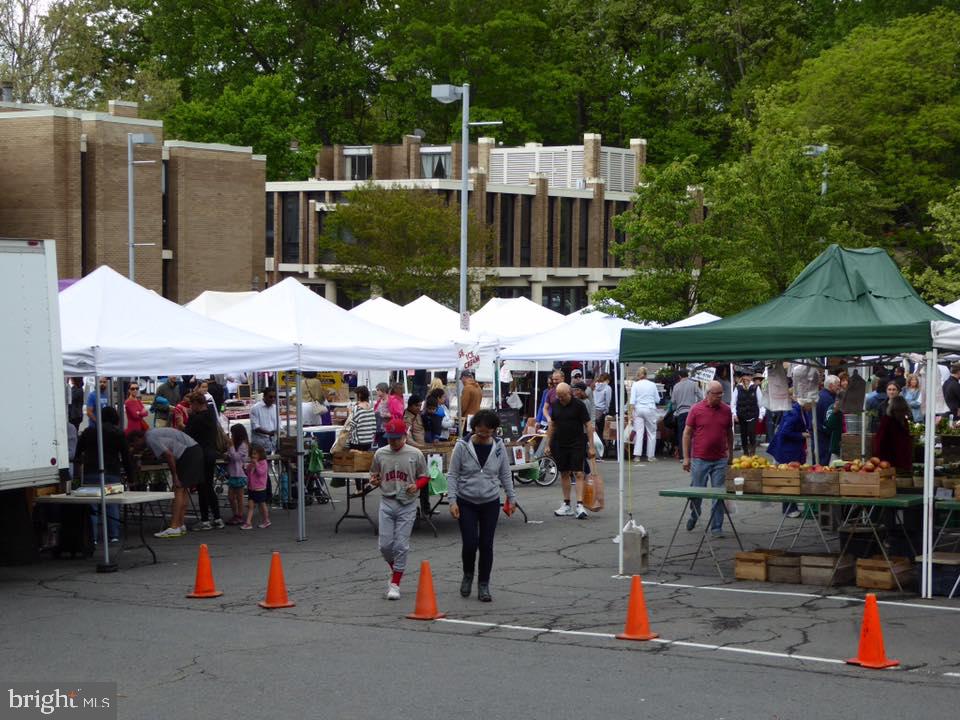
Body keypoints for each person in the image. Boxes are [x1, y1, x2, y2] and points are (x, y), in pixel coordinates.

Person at [447, 409, 517, 602]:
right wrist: (452, 501)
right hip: (466, 501)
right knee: (470, 543)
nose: (483, 435)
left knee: (486, 545)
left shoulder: (499, 447)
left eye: (488, 432)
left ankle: (484, 584)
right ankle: (468, 575)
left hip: (490, 501)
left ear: (494, 430)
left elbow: (505, 473)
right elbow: (453, 475)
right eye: (480, 431)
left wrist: (512, 498)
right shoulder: (462, 446)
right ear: (474, 428)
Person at [369, 418, 428, 600]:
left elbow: (425, 476)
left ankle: (395, 583)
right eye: (390, 438)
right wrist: (374, 480)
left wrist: (417, 485)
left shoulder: (415, 453)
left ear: (404, 436)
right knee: (385, 545)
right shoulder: (380, 453)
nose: (393, 442)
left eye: (396, 438)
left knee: (401, 545)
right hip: (387, 500)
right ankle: (395, 570)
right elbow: (374, 473)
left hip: (407, 502)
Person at [128, 427, 203, 538]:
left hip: (187, 453)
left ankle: (174, 527)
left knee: (178, 488)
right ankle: (180, 524)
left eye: (134, 445)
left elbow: (169, 455)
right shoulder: (151, 434)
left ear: (137, 439)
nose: (136, 448)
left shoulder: (150, 438)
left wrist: (174, 476)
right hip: (194, 450)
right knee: (184, 489)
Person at [682, 380, 734, 536]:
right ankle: (694, 514)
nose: (719, 397)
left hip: (720, 459)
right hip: (700, 458)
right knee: (697, 491)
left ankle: (716, 527)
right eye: (716, 394)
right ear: (708, 394)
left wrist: (730, 454)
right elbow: (687, 433)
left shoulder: (726, 410)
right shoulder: (696, 409)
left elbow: (729, 433)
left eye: (721, 394)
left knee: (718, 493)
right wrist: (686, 458)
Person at [76, 406, 131, 543]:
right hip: (112, 471)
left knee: (92, 506)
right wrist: (131, 476)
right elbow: (126, 456)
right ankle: (113, 535)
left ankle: (92, 538)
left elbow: (78, 453)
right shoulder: (118, 433)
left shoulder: (88, 432)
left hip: (90, 471)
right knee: (112, 503)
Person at [546, 382, 595, 519]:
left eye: (562, 396)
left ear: (570, 393)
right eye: (558, 396)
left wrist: (591, 446)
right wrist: (547, 444)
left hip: (577, 443)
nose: (560, 399)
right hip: (559, 443)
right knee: (564, 473)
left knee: (579, 473)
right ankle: (567, 504)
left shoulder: (579, 405)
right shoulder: (555, 404)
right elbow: (552, 425)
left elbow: (588, 425)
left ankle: (580, 505)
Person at [184, 391, 224, 530]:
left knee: (202, 487)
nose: (190, 407)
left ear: (196, 404)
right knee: (209, 486)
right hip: (211, 453)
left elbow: (186, 435)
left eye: (191, 404)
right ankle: (217, 518)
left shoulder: (195, 418)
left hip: (200, 455)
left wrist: (184, 421)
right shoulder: (211, 415)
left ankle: (205, 519)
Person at [767, 399, 813, 518]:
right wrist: (801, 435)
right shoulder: (794, 412)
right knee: (788, 479)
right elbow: (784, 432)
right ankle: (789, 508)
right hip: (787, 450)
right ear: (805, 402)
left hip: (794, 449)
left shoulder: (802, 411)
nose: (812, 407)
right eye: (811, 404)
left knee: (791, 478)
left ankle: (791, 507)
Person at [874, 395, 914, 472]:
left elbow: (880, 439)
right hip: (900, 457)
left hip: (887, 457)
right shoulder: (902, 421)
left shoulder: (887, 419)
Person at [629, 367, 661, 463]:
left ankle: (637, 456)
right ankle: (650, 456)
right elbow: (657, 399)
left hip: (638, 409)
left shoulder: (635, 384)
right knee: (652, 432)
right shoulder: (652, 385)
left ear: (638, 375)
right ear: (646, 375)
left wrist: (631, 414)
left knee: (639, 433)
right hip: (650, 408)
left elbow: (632, 401)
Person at [670, 369, 702, 460]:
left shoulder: (676, 386)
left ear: (679, 376)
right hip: (692, 412)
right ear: (687, 375)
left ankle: (682, 456)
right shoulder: (693, 384)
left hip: (681, 413)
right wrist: (696, 405)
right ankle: (693, 454)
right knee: (693, 434)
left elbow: (673, 401)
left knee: (682, 434)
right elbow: (701, 396)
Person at [732, 373, 765, 457]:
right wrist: (734, 414)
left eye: (748, 376)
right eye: (745, 376)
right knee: (743, 434)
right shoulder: (737, 388)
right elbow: (733, 402)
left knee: (751, 432)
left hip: (753, 414)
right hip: (741, 415)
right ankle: (745, 452)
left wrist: (761, 414)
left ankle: (752, 452)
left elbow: (760, 403)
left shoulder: (755, 387)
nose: (746, 378)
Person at [225, 424, 250, 525]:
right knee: (231, 497)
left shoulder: (243, 445)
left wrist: (230, 447)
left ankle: (239, 515)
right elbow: (231, 456)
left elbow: (236, 458)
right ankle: (235, 514)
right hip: (232, 473)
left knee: (239, 497)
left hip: (239, 474)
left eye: (233, 434)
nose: (232, 436)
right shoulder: (235, 445)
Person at [241, 444, 271, 529]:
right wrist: (246, 468)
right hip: (251, 488)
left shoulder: (263, 463)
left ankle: (266, 520)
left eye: (255, 454)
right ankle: (248, 523)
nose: (253, 456)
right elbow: (248, 473)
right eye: (252, 454)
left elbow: (261, 473)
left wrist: (256, 464)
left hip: (260, 488)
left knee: (262, 505)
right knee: (250, 505)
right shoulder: (252, 464)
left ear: (260, 454)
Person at [815, 375, 840, 466]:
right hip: (824, 436)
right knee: (823, 463)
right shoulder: (827, 399)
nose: (839, 387)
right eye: (837, 385)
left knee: (818, 462)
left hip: (818, 433)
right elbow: (828, 419)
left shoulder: (821, 395)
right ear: (830, 385)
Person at [346, 385, 377, 450]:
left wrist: (349, 412)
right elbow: (374, 426)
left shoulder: (357, 408)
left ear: (359, 395)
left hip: (357, 441)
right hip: (368, 441)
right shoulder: (371, 408)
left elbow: (351, 425)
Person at [250, 387, 279, 454]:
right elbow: (255, 427)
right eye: (270, 397)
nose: (273, 399)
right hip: (260, 443)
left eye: (274, 397)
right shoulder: (255, 408)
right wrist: (269, 433)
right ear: (264, 396)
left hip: (272, 442)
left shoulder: (275, 408)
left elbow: (278, 423)